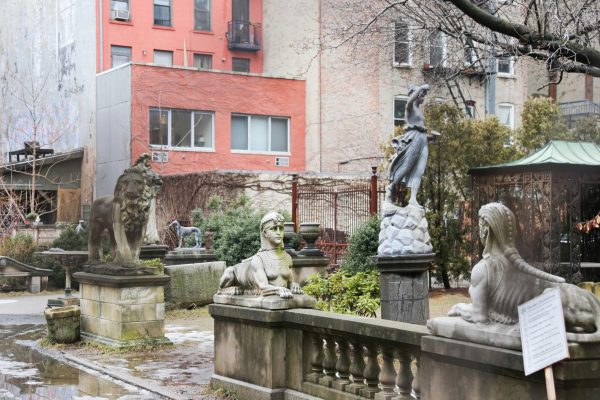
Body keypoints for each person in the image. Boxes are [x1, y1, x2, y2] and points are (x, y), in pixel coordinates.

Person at [218, 212, 303, 298]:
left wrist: (294, 285)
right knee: (229, 271)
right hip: (236, 275)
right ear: (265, 233)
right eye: (274, 228)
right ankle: (223, 290)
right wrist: (279, 289)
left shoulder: (288, 258)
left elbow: (290, 282)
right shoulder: (259, 259)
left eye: (280, 228)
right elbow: (263, 288)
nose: (278, 232)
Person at [386, 83, 439, 206]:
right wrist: (421, 87)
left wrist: (432, 138)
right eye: (422, 95)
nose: (423, 97)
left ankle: (413, 199)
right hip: (413, 138)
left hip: (422, 139)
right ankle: (390, 188)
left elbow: (420, 129)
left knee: (419, 171)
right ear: (416, 94)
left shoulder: (419, 111)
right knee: (406, 166)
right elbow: (409, 101)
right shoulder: (410, 108)